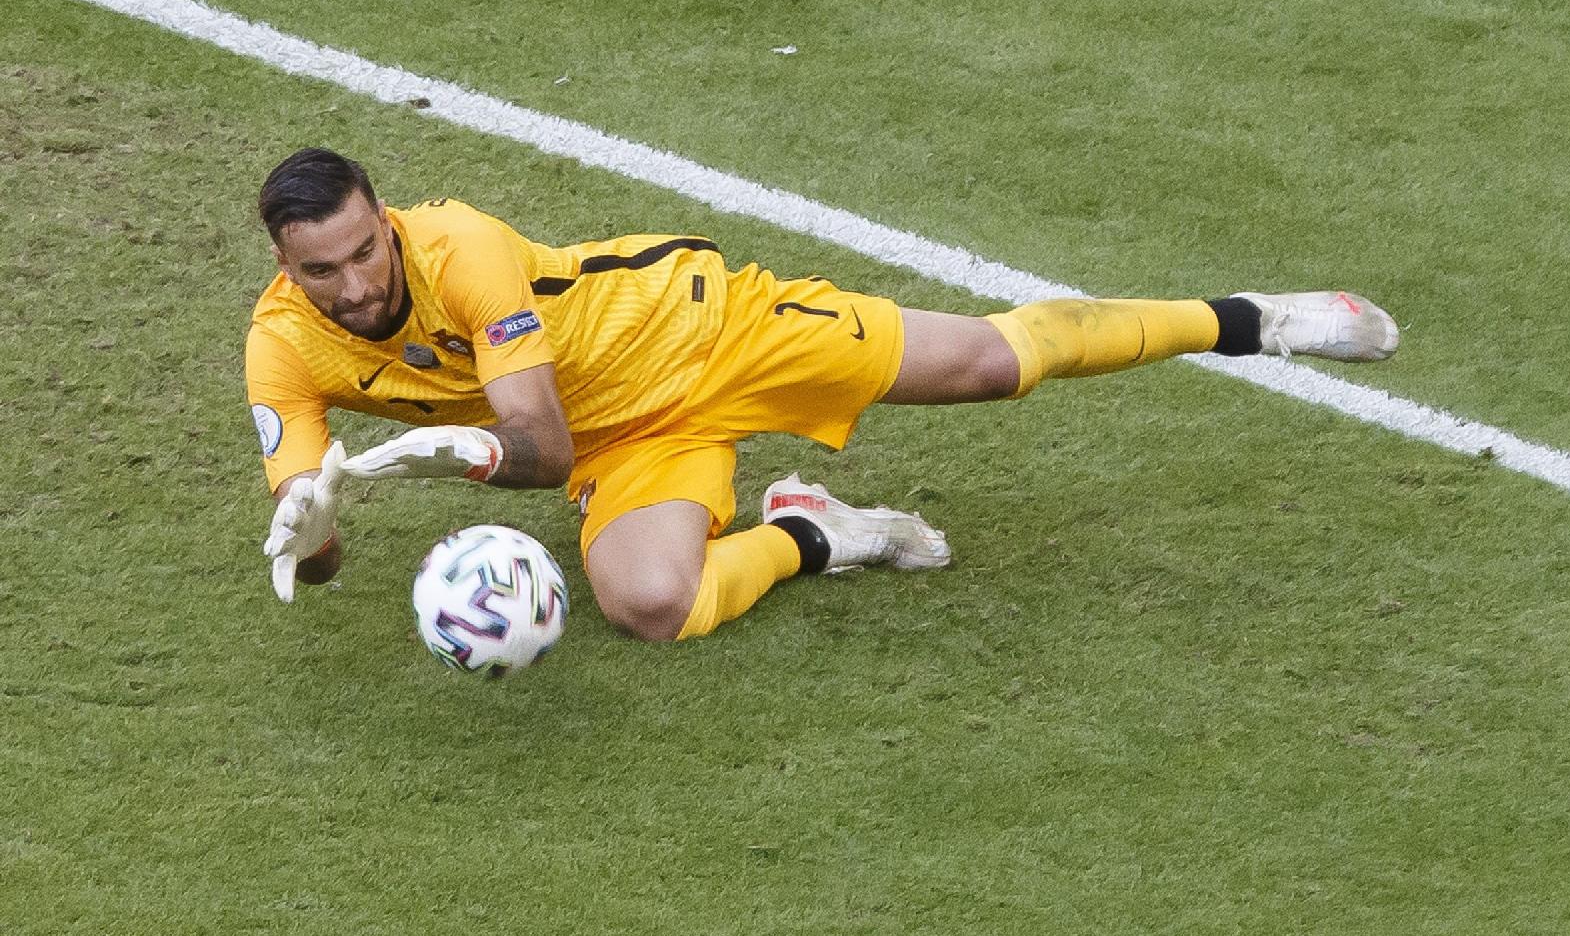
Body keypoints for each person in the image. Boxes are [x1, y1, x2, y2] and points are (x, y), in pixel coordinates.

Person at [248, 148, 1399, 642]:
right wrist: (316, 524)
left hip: (707, 331)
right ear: (282, 266)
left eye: (364, 251)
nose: (355, 285)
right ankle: (819, 535)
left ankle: (1256, 320)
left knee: (991, 365)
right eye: (322, 270)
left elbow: (534, 448)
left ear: (385, 219)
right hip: (628, 441)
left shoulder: (459, 251)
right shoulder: (281, 353)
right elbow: (315, 557)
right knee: (651, 607)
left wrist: (440, 457)